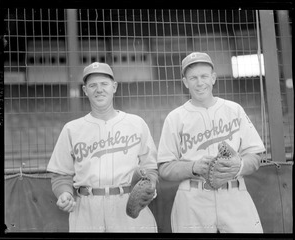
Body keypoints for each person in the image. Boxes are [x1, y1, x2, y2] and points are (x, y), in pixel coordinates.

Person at [157, 52, 265, 233]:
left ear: (213, 78)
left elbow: (255, 156)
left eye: (204, 76)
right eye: (193, 78)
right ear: (185, 82)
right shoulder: (175, 118)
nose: (199, 83)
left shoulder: (234, 110)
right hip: (193, 196)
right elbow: (164, 168)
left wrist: (239, 165)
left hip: (234, 193)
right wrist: (193, 167)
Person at [47, 62, 158, 232]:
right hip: (86, 207)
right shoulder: (72, 129)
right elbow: (60, 175)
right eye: (93, 85)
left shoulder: (136, 123)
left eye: (104, 84)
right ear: (85, 90)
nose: (99, 89)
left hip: (128, 204)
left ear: (114, 87)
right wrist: (65, 193)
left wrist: (150, 185)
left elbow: (150, 167)